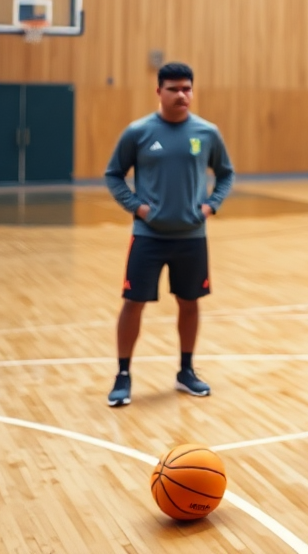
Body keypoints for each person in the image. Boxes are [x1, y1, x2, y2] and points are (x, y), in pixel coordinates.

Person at [104, 62, 234, 407]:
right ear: (158, 92)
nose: (182, 95)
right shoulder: (138, 132)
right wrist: (138, 208)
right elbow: (114, 174)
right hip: (148, 236)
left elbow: (226, 174)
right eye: (174, 89)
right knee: (133, 304)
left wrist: (210, 206)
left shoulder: (207, 132)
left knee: (189, 303)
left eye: (187, 88)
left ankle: (186, 371)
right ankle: (123, 374)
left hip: (192, 237)